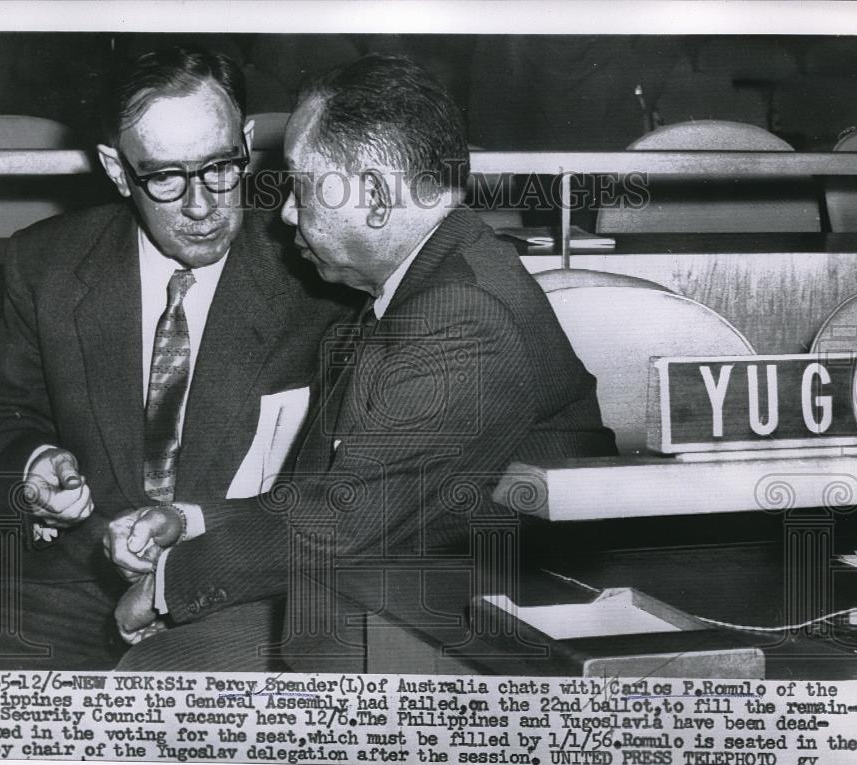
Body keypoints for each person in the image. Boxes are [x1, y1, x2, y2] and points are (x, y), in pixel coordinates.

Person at [105, 53, 617, 672]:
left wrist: (166, 587)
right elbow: (338, 499)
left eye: (298, 185)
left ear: (374, 197)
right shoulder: (422, 282)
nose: (286, 213)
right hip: (406, 573)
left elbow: (341, 521)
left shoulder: (461, 316)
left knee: (158, 673)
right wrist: (191, 521)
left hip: (488, 618)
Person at [0, 46, 350, 670]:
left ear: (247, 143)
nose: (201, 206)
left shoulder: (320, 272)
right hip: (63, 579)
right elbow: (5, 418)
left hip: (245, 588)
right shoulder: (47, 263)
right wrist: (33, 466)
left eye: (219, 168)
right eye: (165, 178)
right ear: (118, 171)